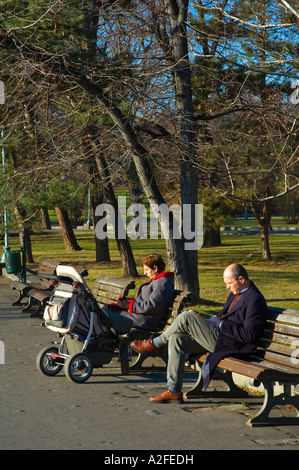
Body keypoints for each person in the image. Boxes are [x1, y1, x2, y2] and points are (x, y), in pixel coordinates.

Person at [132, 263, 268, 403]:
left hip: (234, 345)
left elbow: (248, 335)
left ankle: (156, 343)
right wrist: (208, 321)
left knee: (185, 317)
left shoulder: (254, 299)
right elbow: (224, 316)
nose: (227, 287)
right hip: (222, 338)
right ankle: (173, 390)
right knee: (177, 339)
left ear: (241, 279)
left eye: (229, 283)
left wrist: (220, 324)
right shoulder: (236, 293)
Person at [103, 253, 174, 331]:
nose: (144, 273)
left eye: (147, 270)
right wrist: (125, 304)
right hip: (138, 317)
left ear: (155, 268)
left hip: (143, 321)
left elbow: (152, 306)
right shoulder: (158, 281)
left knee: (104, 314)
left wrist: (127, 305)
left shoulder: (162, 283)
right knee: (107, 309)